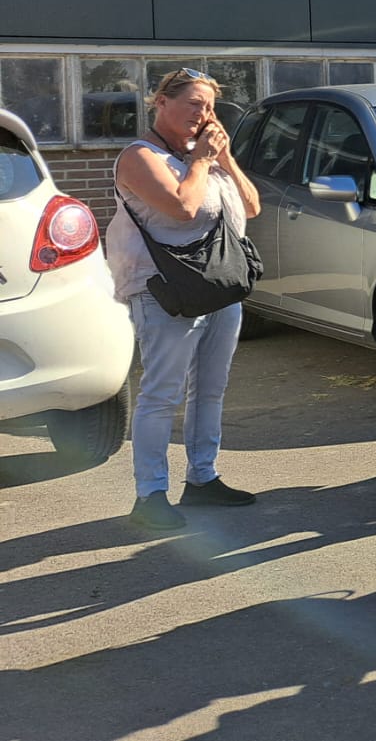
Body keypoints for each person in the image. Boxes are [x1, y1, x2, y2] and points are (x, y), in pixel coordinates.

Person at [111, 68, 263, 530]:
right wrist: (201, 161)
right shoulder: (140, 156)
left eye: (210, 107)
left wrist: (227, 160)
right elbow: (183, 206)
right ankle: (150, 495)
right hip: (165, 292)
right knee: (162, 393)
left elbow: (252, 207)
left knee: (211, 388)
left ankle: (202, 477)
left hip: (219, 287)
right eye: (194, 104)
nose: (204, 115)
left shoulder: (209, 156)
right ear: (161, 102)